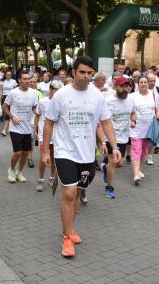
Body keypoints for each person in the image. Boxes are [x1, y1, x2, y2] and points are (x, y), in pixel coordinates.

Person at [42, 56, 121, 258]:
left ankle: (70, 227)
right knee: (68, 193)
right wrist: (44, 151)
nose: (86, 76)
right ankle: (66, 237)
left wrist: (114, 146)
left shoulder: (97, 96)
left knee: (77, 193)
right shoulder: (61, 95)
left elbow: (106, 122)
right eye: (82, 72)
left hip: (86, 154)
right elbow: (49, 123)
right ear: (73, 72)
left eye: (89, 73)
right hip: (65, 152)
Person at [3, 70, 38, 183]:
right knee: (18, 152)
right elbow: (5, 107)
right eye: (25, 79)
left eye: (28, 79)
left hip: (27, 128)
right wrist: (12, 117)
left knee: (25, 153)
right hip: (15, 127)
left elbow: (34, 107)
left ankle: (20, 172)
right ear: (19, 80)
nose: (27, 81)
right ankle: (12, 170)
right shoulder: (13, 93)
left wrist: (40, 112)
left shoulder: (33, 93)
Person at [102, 76, 133, 199]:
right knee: (113, 162)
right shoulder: (108, 100)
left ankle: (105, 167)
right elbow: (103, 119)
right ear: (115, 87)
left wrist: (134, 119)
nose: (125, 89)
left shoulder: (131, 100)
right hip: (111, 136)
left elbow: (133, 113)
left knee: (119, 162)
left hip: (124, 136)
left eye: (127, 86)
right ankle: (109, 187)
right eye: (122, 86)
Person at [129, 76, 159, 185]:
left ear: (148, 84)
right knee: (136, 151)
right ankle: (135, 175)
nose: (143, 84)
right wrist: (132, 121)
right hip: (136, 129)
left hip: (149, 129)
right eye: (141, 82)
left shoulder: (153, 94)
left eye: (145, 82)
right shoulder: (132, 96)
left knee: (143, 151)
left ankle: (139, 169)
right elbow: (129, 111)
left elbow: (157, 107)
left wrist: (157, 115)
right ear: (138, 84)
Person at [34, 80, 62, 191]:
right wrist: (35, 129)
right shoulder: (42, 101)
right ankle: (40, 180)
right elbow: (37, 115)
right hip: (43, 135)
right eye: (55, 90)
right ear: (50, 89)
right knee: (43, 159)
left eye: (59, 90)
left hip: (57, 136)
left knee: (54, 159)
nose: (57, 92)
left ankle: (52, 178)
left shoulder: (61, 102)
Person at [0, 70, 17, 136]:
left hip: (12, 99)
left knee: (8, 113)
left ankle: (4, 130)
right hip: (4, 98)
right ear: (5, 75)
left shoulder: (13, 81)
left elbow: (16, 91)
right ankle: (9, 128)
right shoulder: (2, 81)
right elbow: (1, 91)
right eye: (7, 75)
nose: (8, 76)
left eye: (10, 75)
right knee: (6, 113)